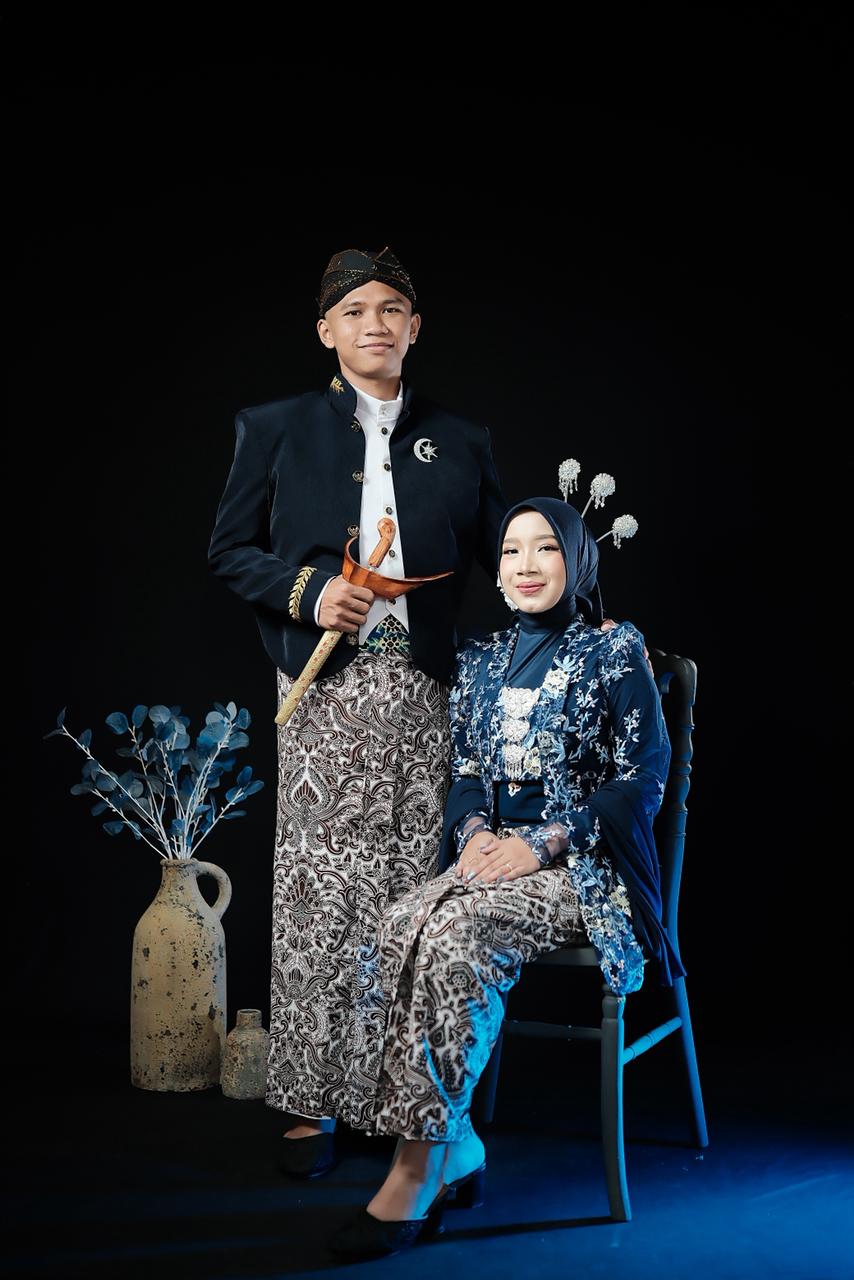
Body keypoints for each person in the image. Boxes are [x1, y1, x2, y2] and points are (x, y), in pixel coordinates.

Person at [207, 247, 509, 1177]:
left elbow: (509, 558)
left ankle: (396, 1099)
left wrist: (585, 605)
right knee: (320, 897)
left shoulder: (462, 439)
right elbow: (229, 550)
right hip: (324, 691)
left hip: (428, 690)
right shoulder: (275, 427)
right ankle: (310, 1105)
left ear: (415, 328)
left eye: (390, 309)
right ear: (326, 332)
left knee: (413, 891)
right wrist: (308, 593)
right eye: (354, 311)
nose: (373, 324)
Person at [328, 495, 684, 1259]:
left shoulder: (614, 651)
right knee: (398, 924)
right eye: (512, 550)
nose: (526, 565)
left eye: (545, 548)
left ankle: (416, 1168)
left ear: (576, 561)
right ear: (496, 571)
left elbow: (642, 782)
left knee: (454, 936)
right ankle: (457, 1143)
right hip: (494, 857)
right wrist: (476, 833)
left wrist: (544, 843)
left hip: (585, 870)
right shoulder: (483, 659)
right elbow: (465, 772)